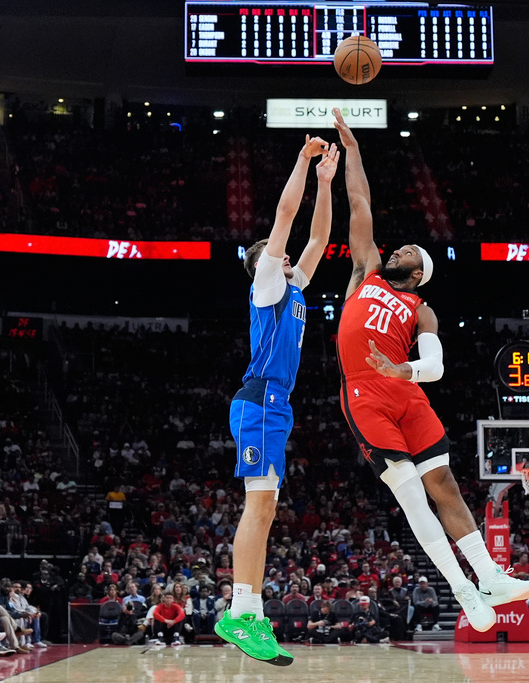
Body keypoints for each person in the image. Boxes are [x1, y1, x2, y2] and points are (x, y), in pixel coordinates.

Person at [330, 107, 529, 635]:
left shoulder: (423, 310)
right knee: (411, 495)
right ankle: (463, 588)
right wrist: (353, 150)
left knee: (443, 481)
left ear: (419, 271)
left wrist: (404, 370)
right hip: (366, 395)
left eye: (405, 251)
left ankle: (489, 575)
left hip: (406, 391)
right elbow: (359, 203)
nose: (394, 249)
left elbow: (437, 368)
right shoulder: (366, 273)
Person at [214, 136, 340, 668]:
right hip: (261, 401)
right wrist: (302, 161)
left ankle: (249, 610)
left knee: (265, 511)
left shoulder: (294, 287)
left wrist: (327, 183)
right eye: (273, 247)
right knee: (259, 507)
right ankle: (242, 610)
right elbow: (288, 215)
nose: (284, 249)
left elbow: (318, 235)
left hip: (276, 406)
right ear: (263, 260)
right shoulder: (267, 282)